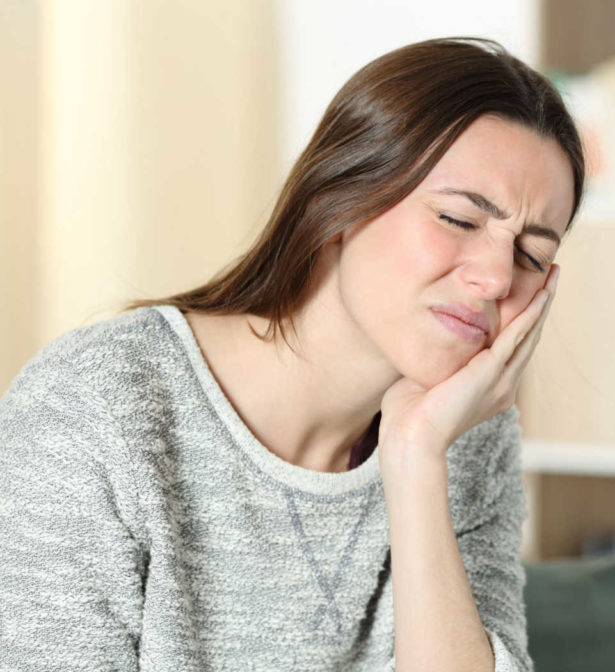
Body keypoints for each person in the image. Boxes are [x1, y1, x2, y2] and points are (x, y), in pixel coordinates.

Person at [0, 37, 584, 672]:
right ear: (340, 197)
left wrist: (416, 460)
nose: (498, 278)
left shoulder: (461, 434)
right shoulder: (93, 408)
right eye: (459, 220)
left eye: (532, 255)